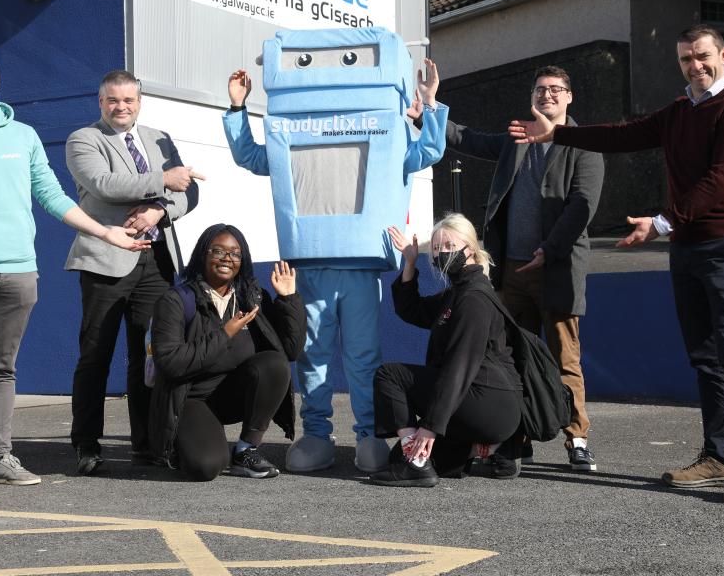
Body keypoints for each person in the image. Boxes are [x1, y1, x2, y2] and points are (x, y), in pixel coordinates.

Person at [510, 25, 724, 504]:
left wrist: (664, 221)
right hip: (689, 249)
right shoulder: (679, 111)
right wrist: (559, 132)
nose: (695, 66)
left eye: (703, 56)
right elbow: (622, 135)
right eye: (687, 59)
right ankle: (719, 455)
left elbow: (721, 181)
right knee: (706, 360)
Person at [0, 46, 148, 501]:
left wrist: (106, 233)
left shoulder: (23, 136)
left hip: (20, 270)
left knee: (3, 370)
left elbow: (53, 195)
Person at [223, 40, 447, 475]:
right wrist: (237, 110)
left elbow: (429, 152)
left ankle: (368, 435)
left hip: (361, 266)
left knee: (363, 356)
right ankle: (316, 435)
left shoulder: (391, 129)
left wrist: (432, 102)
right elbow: (251, 157)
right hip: (310, 265)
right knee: (313, 354)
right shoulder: (289, 129)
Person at [440, 66, 603, 470]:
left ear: (569, 97)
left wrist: (550, 248)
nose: (547, 95)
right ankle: (517, 437)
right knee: (511, 357)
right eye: (540, 89)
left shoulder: (583, 145)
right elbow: (468, 139)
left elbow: (583, 205)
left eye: (555, 89)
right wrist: (429, 109)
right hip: (511, 271)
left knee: (565, 359)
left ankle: (577, 438)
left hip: (557, 268)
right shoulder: (518, 137)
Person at [65, 70, 202, 475]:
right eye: (112, 101)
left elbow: (189, 192)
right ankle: (86, 444)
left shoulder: (159, 138)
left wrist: (159, 209)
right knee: (95, 355)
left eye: (128, 100)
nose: (121, 107)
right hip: (106, 258)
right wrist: (162, 181)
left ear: (139, 101)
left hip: (157, 261)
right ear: (100, 102)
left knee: (149, 356)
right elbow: (104, 183)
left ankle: (148, 444)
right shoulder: (83, 139)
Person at [370, 213, 522, 487]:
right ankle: (488, 449)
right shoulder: (459, 292)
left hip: (488, 401)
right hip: (483, 405)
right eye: (437, 249)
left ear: (471, 250)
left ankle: (414, 462)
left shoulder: (474, 298)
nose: (442, 254)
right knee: (403, 459)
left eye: (450, 247)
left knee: (390, 375)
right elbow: (411, 310)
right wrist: (410, 262)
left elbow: (459, 369)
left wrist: (429, 427)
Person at [148, 224, 306, 481]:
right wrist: (226, 333)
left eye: (234, 253)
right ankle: (188, 441)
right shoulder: (176, 300)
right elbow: (170, 363)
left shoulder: (252, 297)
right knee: (206, 467)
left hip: (232, 395)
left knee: (274, 364)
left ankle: (246, 450)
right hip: (191, 398)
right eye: (218, 251)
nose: (226, 259)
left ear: (242, 262)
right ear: (203, 254)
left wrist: (289, 300)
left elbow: (290, 350)